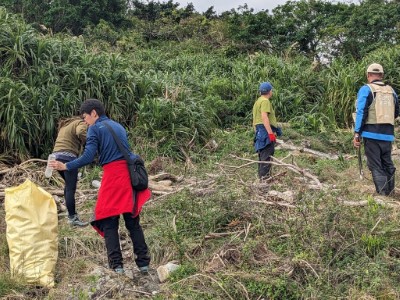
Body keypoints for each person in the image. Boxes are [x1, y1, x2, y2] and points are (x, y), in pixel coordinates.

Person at [50, 99, 151, 274]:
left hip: (113, 177)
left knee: (108, 220)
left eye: (85, 117)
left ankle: (117, 266)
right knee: (132, 221)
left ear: (94, 113)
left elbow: (88, 156)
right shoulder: (118, 126)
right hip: (128, 176)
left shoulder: (94, 128)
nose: (85, 121)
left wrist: (66, 166)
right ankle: (143, 264)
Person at [353, 63, 399, 195]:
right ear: (382, 75)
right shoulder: (392, 91)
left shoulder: (366, 89)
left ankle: (383, 195)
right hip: (388, 135)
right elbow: (396, 112)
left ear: (368, 75)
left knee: (375, 165)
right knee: (387, 163)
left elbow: (361, 112)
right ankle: (390, 192)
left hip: (371, 134)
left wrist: (357, 133)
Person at [52, 117, 88, 227]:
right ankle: (73, 218)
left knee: (68, 186)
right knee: (71, 188)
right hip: (68, 157)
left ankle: (70, 214)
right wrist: (89, 140)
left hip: (56, 156)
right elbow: (81, 131)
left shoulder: (66, 125)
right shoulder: (81, 122)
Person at [252, 82, 281, 180]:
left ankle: (261, 179)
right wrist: (271, 134)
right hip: (265, 131)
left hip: (259, 131)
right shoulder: (265, 101)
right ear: (270, 91)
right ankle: (264, 181)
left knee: (262, 157)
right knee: (267, 157)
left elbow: (254, 121)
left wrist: (256, 133)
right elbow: (264, 117)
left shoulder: (257, 102)